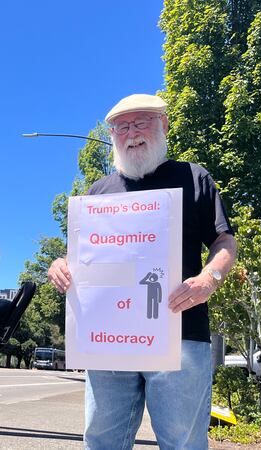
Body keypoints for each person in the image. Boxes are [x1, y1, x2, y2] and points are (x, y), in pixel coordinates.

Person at [47, 94, 237, 450]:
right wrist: (60, 265)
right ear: (113, 136)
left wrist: (210, 278)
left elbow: (224, 242)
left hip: (178, 332)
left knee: (183, 443)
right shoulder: (98, 190)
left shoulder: (193, 177)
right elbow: (81, 256)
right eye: (122, 126)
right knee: (102, 441)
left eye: (141, 122)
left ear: (163, 125)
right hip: (107, 340)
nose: (132, 133)